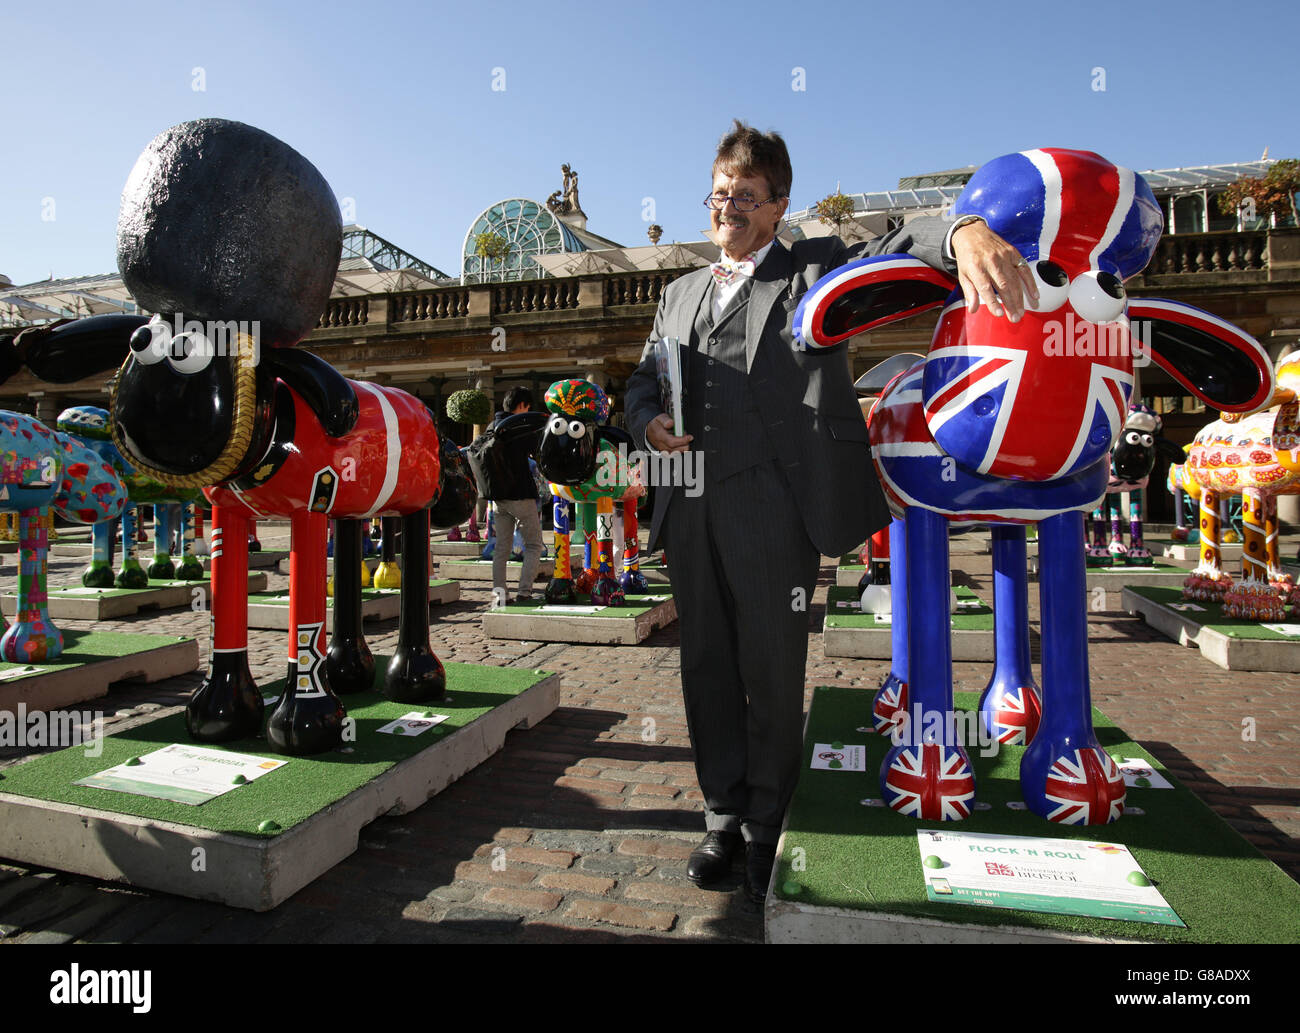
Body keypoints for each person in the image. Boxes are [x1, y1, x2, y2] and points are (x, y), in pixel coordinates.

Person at [623, 120, 1035, 903]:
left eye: (745, 195)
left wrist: (964, 229)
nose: (727, 207)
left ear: (779, 205)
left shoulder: (815, 266)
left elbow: (899, 235)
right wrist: (643, 419)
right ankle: (719, 813)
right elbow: (645, 377)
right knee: (705, 663)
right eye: (719, 192)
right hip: (690, 505)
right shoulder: (677, 293)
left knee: (770, 669)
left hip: (773, 506)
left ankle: (765, 823)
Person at [486, 387, 545, 605]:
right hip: (520, 494)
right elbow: (536, 449)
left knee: (501, 548)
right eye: (527, 407)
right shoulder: (517, 426)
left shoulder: (491, 427)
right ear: (521, 406)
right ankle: (525, 592)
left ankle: (499, 595)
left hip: (498, 498)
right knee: (533, 545)